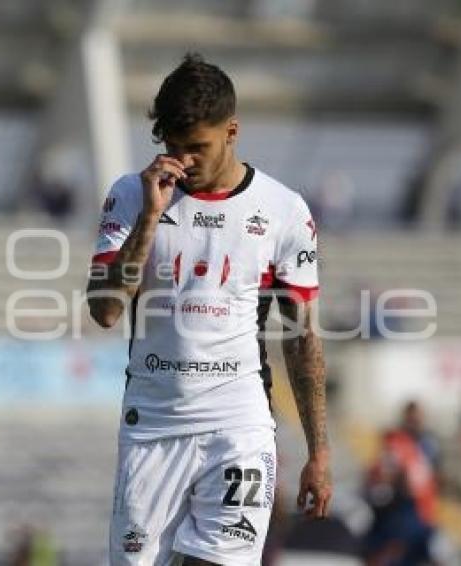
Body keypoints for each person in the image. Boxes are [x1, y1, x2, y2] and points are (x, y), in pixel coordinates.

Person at [86, 53, 331, 565]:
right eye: (173, 147)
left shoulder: (283, 209)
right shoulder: (133, 195)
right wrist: (152, 219)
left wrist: (319, 453)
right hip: (153, 425)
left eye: (197, 147)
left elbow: (302, 337)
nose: (184, 161)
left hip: (238, 424)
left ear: (232, 131)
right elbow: (106, 311)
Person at [363, 401, 440, 566]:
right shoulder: (397, 441)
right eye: (411, 417)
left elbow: (430, 479)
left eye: (417, 418)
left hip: (422, 512)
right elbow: (384, 474)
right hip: (400, 511)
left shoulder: (428, 444)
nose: (415, 422)